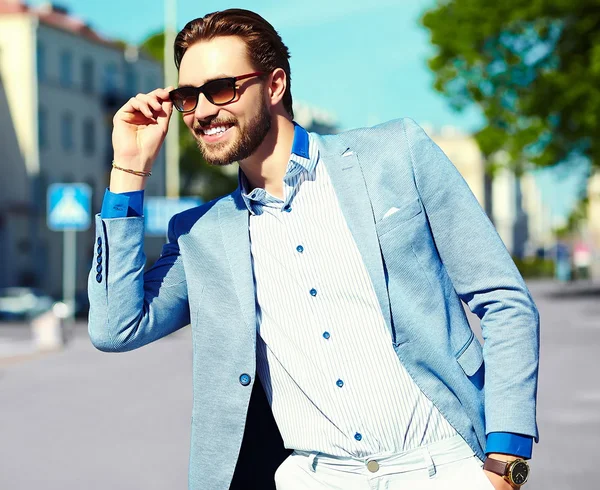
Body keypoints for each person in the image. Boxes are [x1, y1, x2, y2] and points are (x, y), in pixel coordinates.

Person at [88, 8, 540, 490]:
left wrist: (505, 461)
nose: (201, 111)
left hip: (443, 465)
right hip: (314, 475)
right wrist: (128, 170)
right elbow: (116, 327)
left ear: (275, 85)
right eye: (187, 96)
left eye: (220, 89)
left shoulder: (395, 155)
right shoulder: (201, 235)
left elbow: (504, 301)